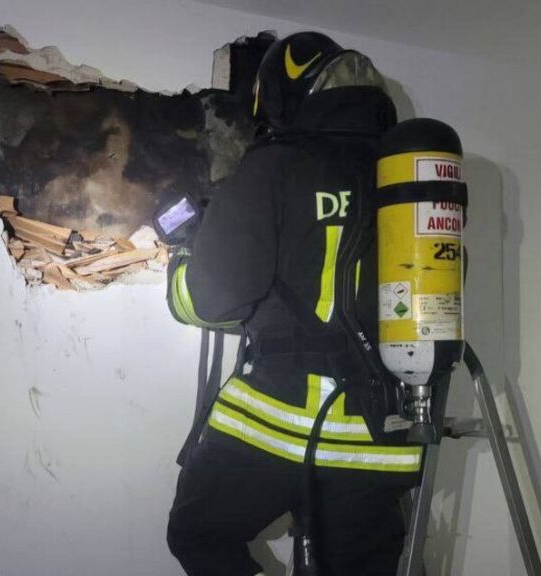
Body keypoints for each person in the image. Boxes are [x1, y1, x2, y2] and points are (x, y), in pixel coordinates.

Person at [164, 31, 424, 576]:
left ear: (278, 95)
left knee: (198, 535)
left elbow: (213, 302)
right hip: (379, 443)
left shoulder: (273, 166)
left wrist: (181, 269)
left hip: (277, 425)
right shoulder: (404, 178)